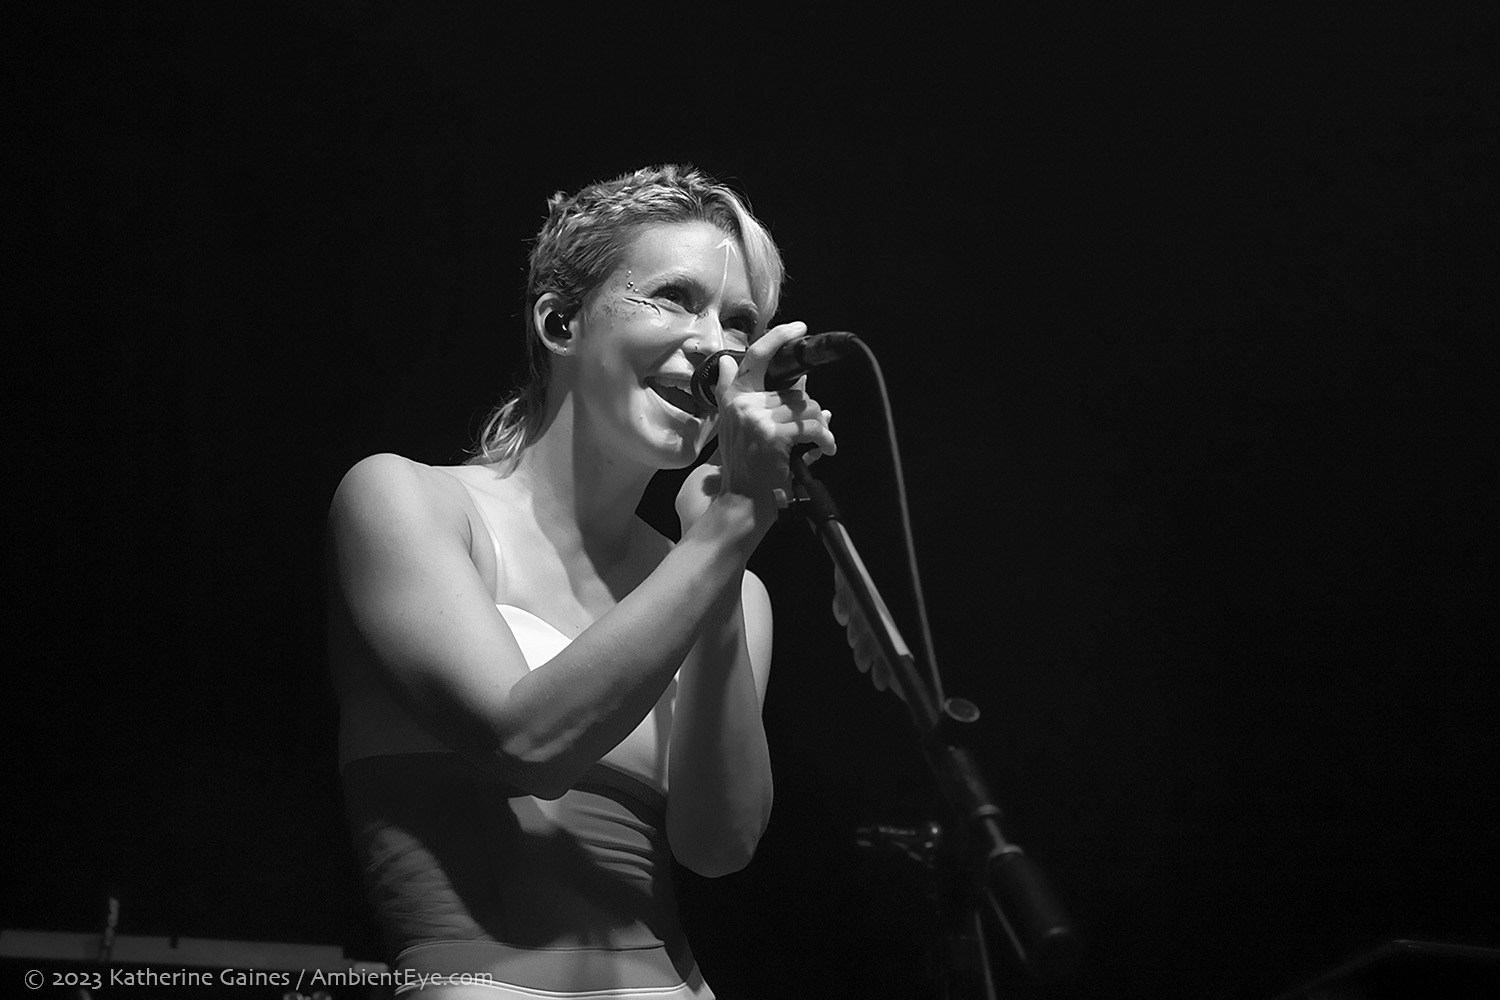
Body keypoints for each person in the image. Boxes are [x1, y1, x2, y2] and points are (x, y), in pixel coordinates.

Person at [326, 165, 836, 999]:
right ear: (560, 323)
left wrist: (721, 550)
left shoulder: (726, 580)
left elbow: (718, 846)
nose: (716, 346)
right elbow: (525, 745)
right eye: (675, 298)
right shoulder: (406, 500)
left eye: (740, 322)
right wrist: (729, 530)